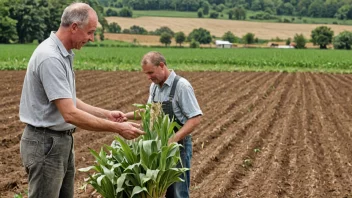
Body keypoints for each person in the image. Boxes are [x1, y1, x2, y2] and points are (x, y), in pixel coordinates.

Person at [19, 2, 144, 198]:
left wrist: (107, 115)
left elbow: (70, 100)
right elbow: (69, 113)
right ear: (74, 27)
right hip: (45, 143)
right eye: (90, 32)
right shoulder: (50, 57)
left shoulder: (63, 54)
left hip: (59, 142)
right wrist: (118, 128)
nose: (92, 38)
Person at [126, 51, 202, 198]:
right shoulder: (154, 87)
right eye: (146, 74)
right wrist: (125, 116)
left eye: (150, 72)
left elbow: (195, 118)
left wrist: (173, 139)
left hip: (178, 147)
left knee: (178, 192)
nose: (148, 77)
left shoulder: (181, 86)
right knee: (164, 190)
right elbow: (150, 112)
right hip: (160, 146)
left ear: (161, 66)